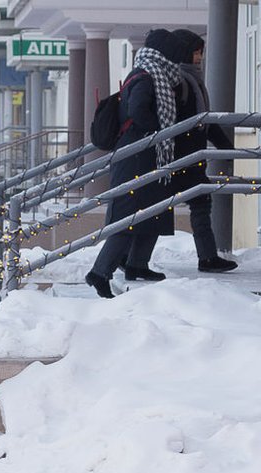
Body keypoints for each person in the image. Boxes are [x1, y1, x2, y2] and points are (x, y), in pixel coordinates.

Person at [85, 29, 184, 298]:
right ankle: (99, 272)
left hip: (145, 155)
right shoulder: (146, 75)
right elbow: (139, 108)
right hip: (136, 155)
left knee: (153, 211)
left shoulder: (154, 74)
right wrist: (157, 132)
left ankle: (137, 264)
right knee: (129, 218)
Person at [171, 28, 237, 273]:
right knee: (197, 203)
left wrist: (227, 149)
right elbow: (194, 120)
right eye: (196, 52)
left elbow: (204, 121)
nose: (199, 57)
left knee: (196, 203)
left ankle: (208, 257)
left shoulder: (194, 80)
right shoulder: (181, 80)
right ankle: (207, 258)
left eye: (200, 52)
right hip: (182, 157)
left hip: (190, 156)